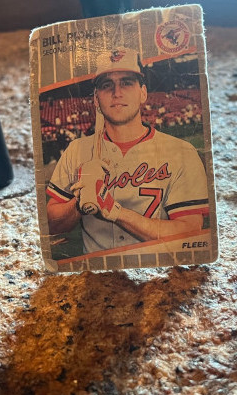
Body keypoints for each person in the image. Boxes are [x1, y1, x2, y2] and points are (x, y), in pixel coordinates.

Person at [46, 47, 209, 254]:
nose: (117, 92)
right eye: (107, 85)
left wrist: (116, 212)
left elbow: (189, 233)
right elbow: (51, 224)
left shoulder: (182, 151)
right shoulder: (76, 149)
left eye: (127, 82)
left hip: (157, 271)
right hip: (99, 275)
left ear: (143, 93)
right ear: (96, 99)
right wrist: (78, 203)